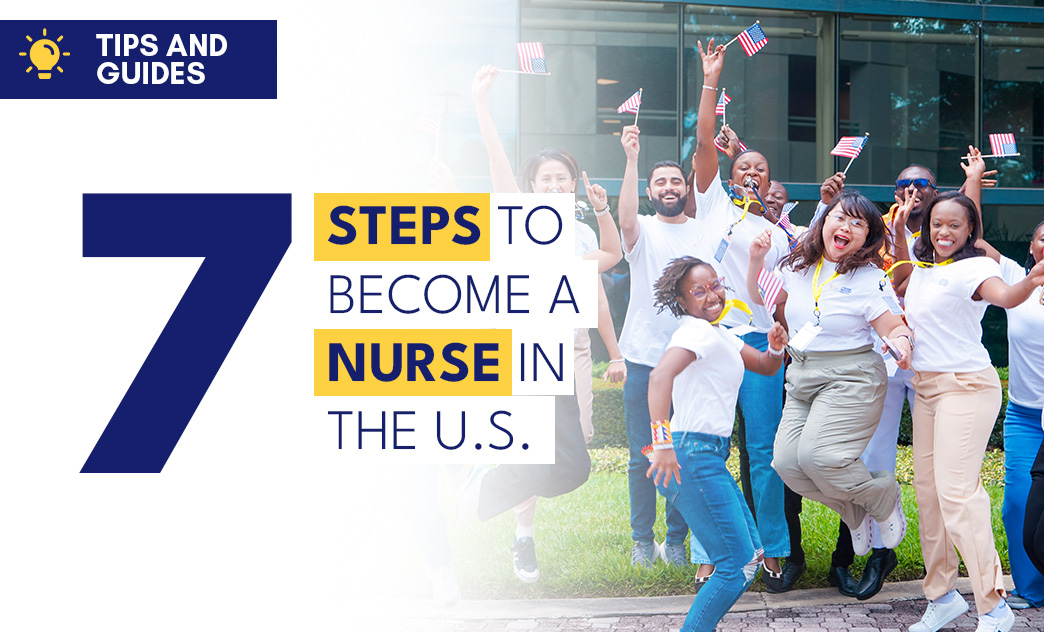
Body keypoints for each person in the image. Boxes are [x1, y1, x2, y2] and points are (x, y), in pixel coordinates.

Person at [465, 64, 626, 583]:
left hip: (572, 347)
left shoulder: (580, 234)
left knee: (574, 454)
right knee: (532, 445)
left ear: (573, 184)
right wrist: (482, 104)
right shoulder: (518, 224)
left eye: (562, 178)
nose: (553, 184)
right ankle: (523, 536)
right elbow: (496, 161)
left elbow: (610, 258)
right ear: (531, 187)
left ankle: (496, 479)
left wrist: (602, 211)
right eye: (545, 179)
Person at [895, 148, 1044, 632]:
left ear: (969, 232)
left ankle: (993, 604)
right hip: (926, 389)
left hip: (967, 387)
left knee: (959, 493)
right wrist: (898, 227)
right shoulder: (922, 268)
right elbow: (905, 268)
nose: (944, 232)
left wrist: (1033, 280)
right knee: (928, 494)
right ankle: (941, 595)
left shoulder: (976, 268)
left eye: (954, 226)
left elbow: (1007, 296)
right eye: (937, 224)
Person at [746, 190, 915, 581]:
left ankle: (883, 497)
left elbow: (894, 325)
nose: (847, 227)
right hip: (802, 373)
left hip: (851, 375)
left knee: (818, 456)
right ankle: (854, 511)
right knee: (786, 463)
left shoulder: (869, 278)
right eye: (840, 217)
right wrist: (756, 259)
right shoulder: (797, 266)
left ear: (868, 237)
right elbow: (761, 299)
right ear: (824, 222)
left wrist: (902, 344)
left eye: (858, 223)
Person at [688, 38, 792, 590]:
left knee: (762, 449)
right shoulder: (712, 207)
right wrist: (711, 79)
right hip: (711, 340)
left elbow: (780, 298)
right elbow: (705, 137)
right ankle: (710, 549)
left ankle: (773, 547)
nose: (752, 172)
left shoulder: (779, 234)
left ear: (769, 182)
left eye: (761, 169)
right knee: (707, 446)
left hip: (756, 340)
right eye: (744, 166)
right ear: (731, 175)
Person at [646, 255, 789, 632]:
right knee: (734, 564)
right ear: (682, 300)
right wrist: (661, 445)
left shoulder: (720, 334)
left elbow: (765, 366)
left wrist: (776, 347)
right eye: (699, 291)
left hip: (707, 455)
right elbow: (659, 377)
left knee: (749, 557)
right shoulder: (694, 332)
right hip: (691, 453)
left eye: (715, 285)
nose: (712, 295)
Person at [616, 121, 700, 568]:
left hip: (687, 362)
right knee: (642, 454)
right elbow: (625, 219)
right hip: (643, 361)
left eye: (676, 181)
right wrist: (631, 159)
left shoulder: (702, 231)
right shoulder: (643, 229)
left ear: (686, 188)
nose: (669, 187)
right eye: (661, 182)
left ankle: (676, 541)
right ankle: (642, 541)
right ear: (650, 191)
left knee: (679, 452)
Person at [1003, 220, 1044, 609]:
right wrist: (975, 187)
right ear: (1032, 246)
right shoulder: (1014, 278)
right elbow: (972, 237)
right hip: (1024, 416)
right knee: (1017, 503)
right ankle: (1031, 588)